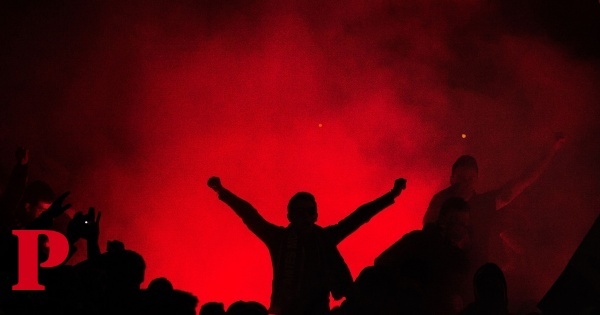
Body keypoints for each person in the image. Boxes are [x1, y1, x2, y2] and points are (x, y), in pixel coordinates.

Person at [207, 176, 407, 315]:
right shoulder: (279, 239)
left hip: (318, 311)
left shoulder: (324, 238)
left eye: (309, 211)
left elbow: (360, 216)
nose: (305, 216)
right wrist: (222, 191)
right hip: (289, 311)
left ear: (316, 215)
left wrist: (392, 195)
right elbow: (249, 215)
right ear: (289, 216)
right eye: (299, 212)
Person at [422, 134, 566, 267]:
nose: (465, 183)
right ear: (452, 179)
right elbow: (426, 233)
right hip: (444, 273)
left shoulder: (484, 204)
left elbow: (524, 181)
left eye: (470, 178)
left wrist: (551, 150)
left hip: (474, 277)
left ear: (476, 179)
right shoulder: (440, 202)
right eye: (460, 178)